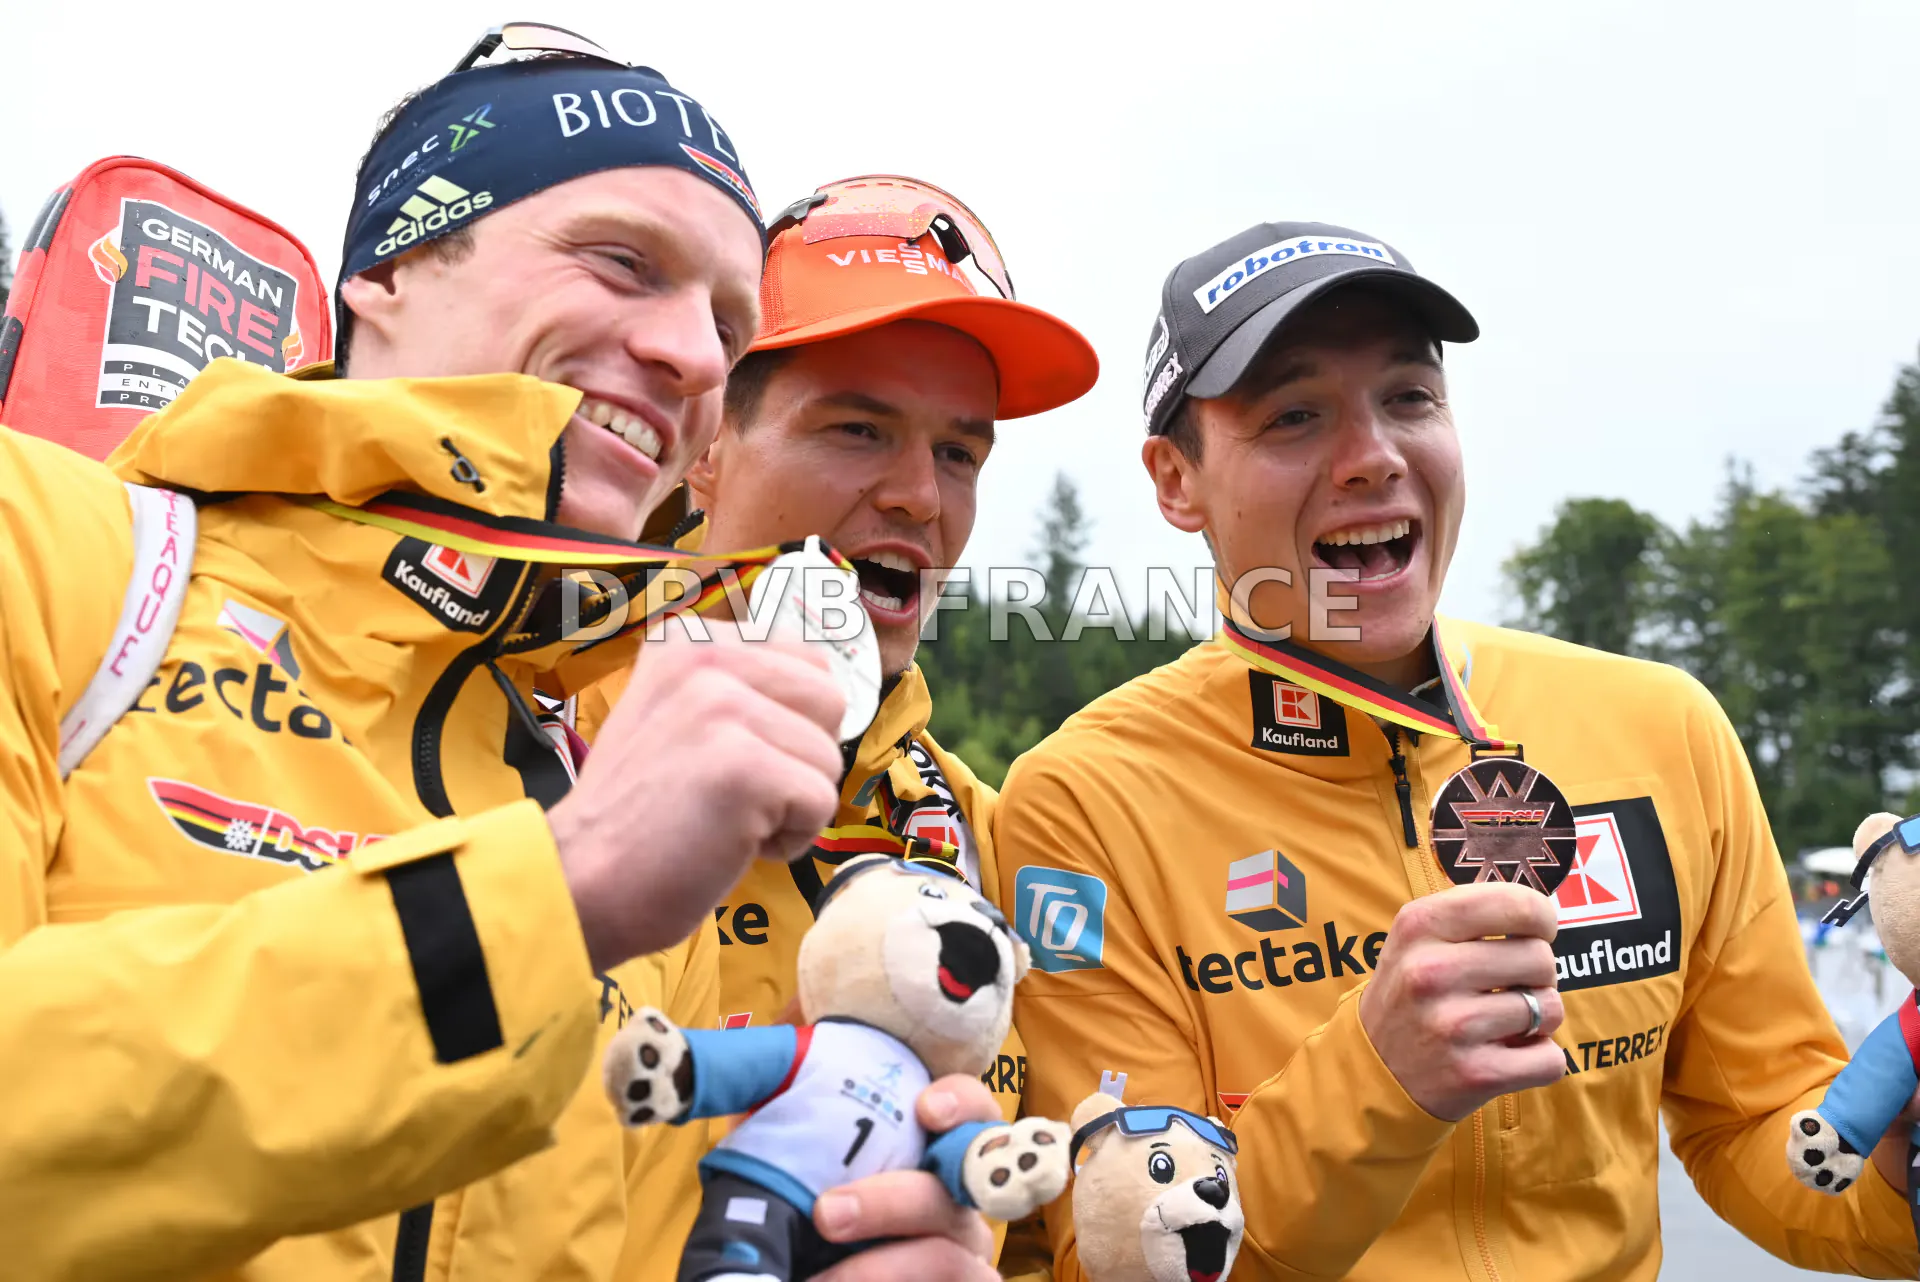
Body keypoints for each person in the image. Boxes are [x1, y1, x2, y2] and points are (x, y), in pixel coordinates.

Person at [0, 29, 1004, 1282]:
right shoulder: (53, 552)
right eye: (623, 260)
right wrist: (550, 896)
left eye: (726, 323)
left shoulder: (614, 777)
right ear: (392, 266)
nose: (694, 353)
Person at [996, 220, 1920, 1279]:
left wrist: (1898, 1174)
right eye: (1295, 415)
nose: (1374, 457)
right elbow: (1122, 1259)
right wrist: (1378, 1080)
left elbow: (1762, 1125)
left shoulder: (1661, 727)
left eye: (1409, 398)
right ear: (1176, 480)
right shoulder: (1084, 798)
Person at [573, 173, 1099, 1274]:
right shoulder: (544, 737)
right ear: (705, 445)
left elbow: (1059, 1239)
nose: (920, 495)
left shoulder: (984, 833)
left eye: (959, 452)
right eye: (858, 429)